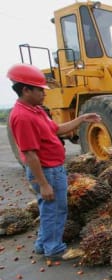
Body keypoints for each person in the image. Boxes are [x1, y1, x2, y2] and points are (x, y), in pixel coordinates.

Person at [6, 63, 101, 261]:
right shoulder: (22, 117)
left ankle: (43, 244)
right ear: (26, 90)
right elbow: (30, 154)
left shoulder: (36, 110)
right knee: (55, 209)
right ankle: (54, 249)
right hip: (46, 171)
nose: (44, 93)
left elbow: (57, 130)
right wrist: (43, 184)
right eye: (40, 90)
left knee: (50, 208)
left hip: (53, 168)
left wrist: (82, 118)